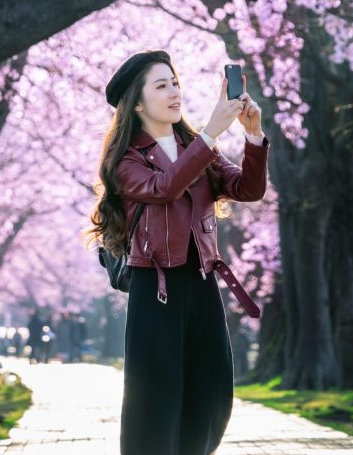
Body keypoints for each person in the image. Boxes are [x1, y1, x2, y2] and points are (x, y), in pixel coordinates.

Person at [83, 50, 269, 455]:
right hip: (156, 286)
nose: (173, 92)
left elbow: (248, 190)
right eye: (161, 85)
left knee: (211, 391)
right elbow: (162, 187)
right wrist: (209, 135)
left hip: (202, 281)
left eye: (175, 83)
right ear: (136, 101)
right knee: (155, 400)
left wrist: (253, 136)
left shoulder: (196, 148)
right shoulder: (127, 160)